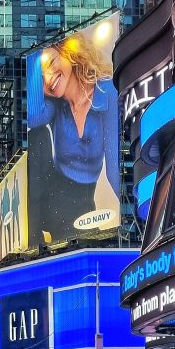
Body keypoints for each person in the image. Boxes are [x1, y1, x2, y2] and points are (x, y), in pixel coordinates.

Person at [27, 29, 119, 245]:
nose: (48, 80)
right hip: (47, 197)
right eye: (40, 79)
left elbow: (115, 166)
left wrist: (139, 219)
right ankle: (33, 241)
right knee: (37, 137)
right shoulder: (53, 107)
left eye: (51, 63)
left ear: (69, 53)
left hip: (83, 206)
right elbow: (32, 116)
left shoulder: (106, 93)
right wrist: (33, 56)